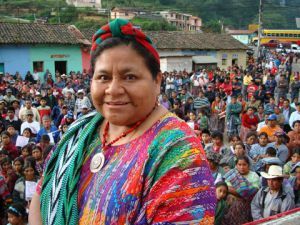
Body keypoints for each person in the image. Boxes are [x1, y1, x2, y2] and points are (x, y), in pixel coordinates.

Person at [29, 19, 216, 225]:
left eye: (129, 77)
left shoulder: (177, 150)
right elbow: (42, 193)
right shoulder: (80, 130)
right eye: (103, 77)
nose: (113, 89)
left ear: (157, 81)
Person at [223, 156, 260, 225]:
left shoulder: (254, 176)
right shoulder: (232, 174)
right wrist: (242, 192)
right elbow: (226, 187)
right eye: (239, 165)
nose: (242, 167)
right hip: (232, 201)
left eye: (244, 164)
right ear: (236, 165)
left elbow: (253, 192)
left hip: (248, 203)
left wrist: (239, 193)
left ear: (248, 165)